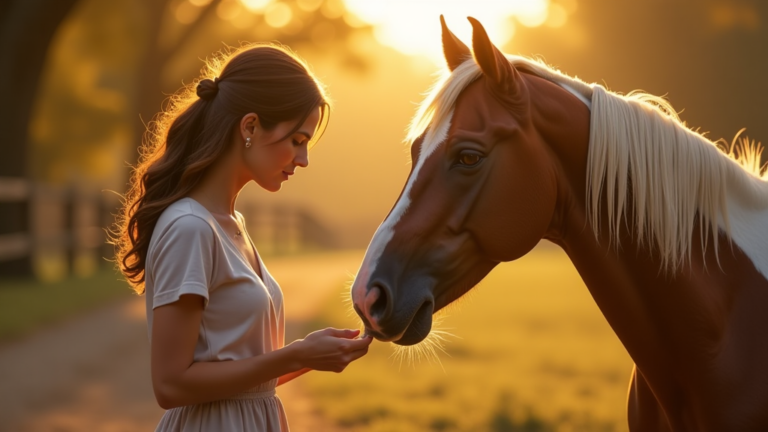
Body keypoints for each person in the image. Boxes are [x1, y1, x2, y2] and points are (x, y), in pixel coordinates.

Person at [113, 43, 372, 432]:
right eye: (297, 141)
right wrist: (295, 354)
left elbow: (239, 381)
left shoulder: (231, 224)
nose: (303, 160)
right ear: (250, 126)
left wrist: (309, 356)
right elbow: (170, 384)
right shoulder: (190, 228)